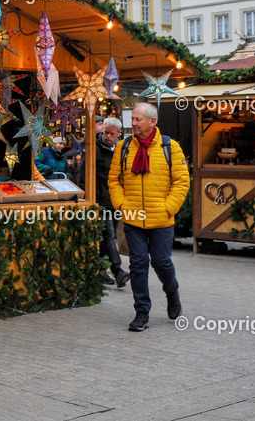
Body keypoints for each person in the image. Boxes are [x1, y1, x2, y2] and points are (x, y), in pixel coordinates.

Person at [108, 103, 190, 332]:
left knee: (161, 262)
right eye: (132, 119)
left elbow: (182, 181)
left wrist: (169, 207)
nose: (133, 123)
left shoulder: (170, 147)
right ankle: (142, 311)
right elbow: (114, 180)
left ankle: (172, 291)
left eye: (138, 119)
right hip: (133, 217)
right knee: (138, 264)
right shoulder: (124, 147)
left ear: (152, 122)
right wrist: (122, 205)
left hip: (161, 219)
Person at [80, 117, 129, 288]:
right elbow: (83, 174)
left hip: (115, 200)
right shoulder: (94, 147)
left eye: (111, 133)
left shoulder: (123, 149)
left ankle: (101, 270)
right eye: (105, 132)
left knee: (107, 237)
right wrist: (85, 197)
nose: (107, 135)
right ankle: (118, 271)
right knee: (108, 235)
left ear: (118, 134)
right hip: (99, 199)